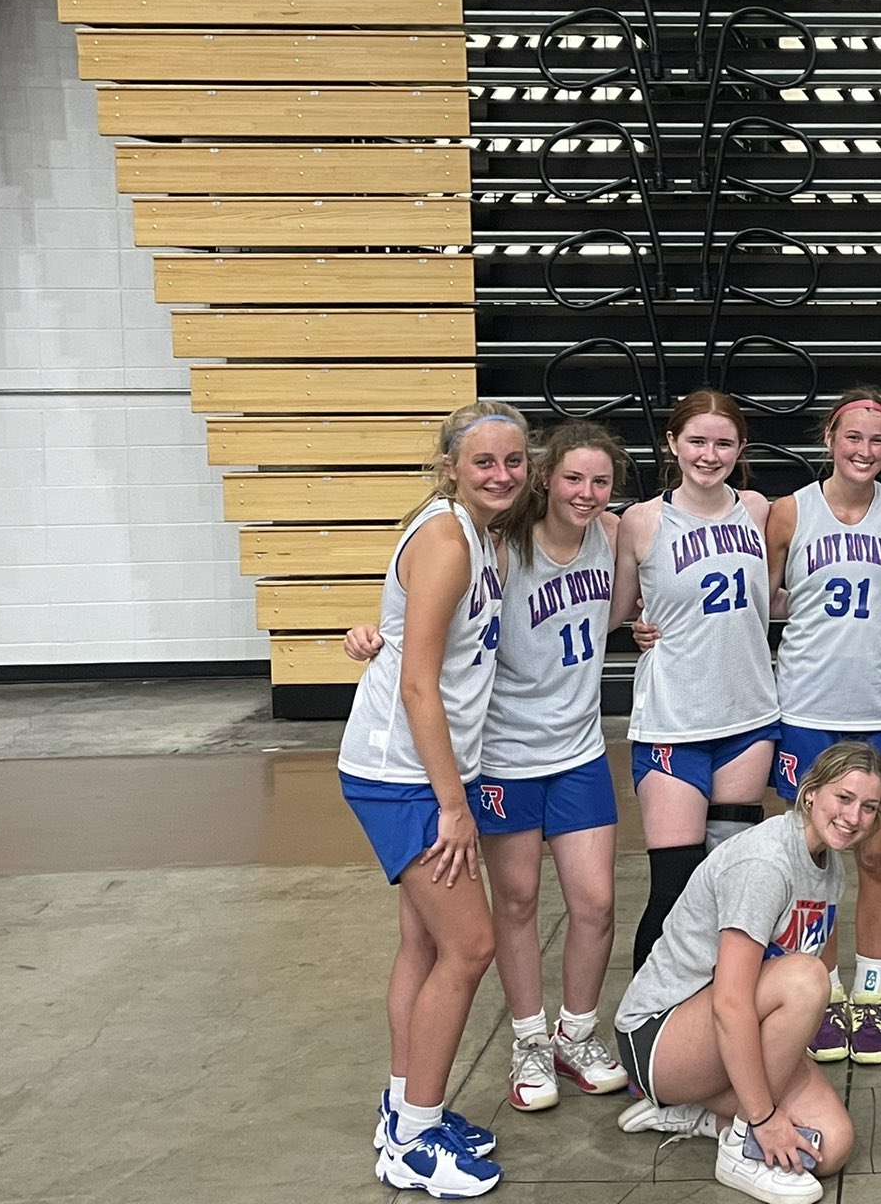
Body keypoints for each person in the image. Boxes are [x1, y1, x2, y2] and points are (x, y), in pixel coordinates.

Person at [347, 421, 634, 1115]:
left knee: (596, 903)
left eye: (600, 481)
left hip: (577, 747)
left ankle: (575, 1035)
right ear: (547, 477)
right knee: (512, 905)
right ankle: (526, 1041)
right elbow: (425, 633)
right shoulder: (497, 542)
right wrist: (376, 636)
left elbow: (632, 603)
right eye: (572, 477)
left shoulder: (613, 535)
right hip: (498, 753)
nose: (586, 492)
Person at [338, 400, 527, 1199]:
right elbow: (418, 685)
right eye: (484, 461)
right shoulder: (448, 540)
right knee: (471, 947)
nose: (502, 474)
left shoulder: (484, 538)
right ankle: (412, 1141)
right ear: (450, 467)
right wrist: (454, 805)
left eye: (514, 461)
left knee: (422, 945)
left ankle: (404, 1106)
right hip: (403, 776)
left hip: (428, 770)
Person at [612, 742, 881, 1203]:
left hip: (722, 1035)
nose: (853, 817)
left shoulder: (829, 866)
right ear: (811, 793)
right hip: (660, 1038)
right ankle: (739, 1146)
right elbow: (731, 1002)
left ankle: (698, 1113)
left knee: (831, 1145)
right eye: (844, 798)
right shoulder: (765, 864)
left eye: (869, 807)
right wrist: (762, 1118)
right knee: (806, 980)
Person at [764, 388, 881, 1066]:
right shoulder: (790, 512)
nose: (865, 450)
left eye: (878, 440)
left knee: (878, 856)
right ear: (830, 437)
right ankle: (819, 990)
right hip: (806, 708)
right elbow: (759, 599)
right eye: (854, 437)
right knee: (811, 859)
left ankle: (871, 995)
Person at [612, 390, 781, 977]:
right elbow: (614, 608)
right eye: (697, 441)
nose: (710, 455)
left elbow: (776, 595)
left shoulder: (757, 509)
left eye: (723, 443)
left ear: (741, 448)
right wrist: (637, 624)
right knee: (674, 886)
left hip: (748, 718)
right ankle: (646, 1017)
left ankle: (717, 1010)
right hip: (673, 720)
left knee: (731, 884)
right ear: (672, 444)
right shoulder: (641, 521)